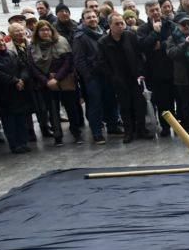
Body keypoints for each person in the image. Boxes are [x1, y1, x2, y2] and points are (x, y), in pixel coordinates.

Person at [99, 14, 153, 144]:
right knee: (125, 106)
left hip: (135, 77)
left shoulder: (130, 36)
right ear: (110, 26)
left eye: (121, 23)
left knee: (139, 104)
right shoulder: (103, 42)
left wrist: (140, 72)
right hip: (118, 79)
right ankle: (129, 131)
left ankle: (141, 129)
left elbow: (139, 55)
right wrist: (112, 77)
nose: (120, 26)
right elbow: (102, 62)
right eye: (117, 24)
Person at [28, 21, 83, 146]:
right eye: (42, 30)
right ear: (37, 33)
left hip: (64, 80)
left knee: (71, 108)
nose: (45, 32)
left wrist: (56, 78)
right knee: (53, 110)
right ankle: (58, 136)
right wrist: (46, 81)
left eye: (47, 29)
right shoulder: (32, 47)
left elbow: (68, 62)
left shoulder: (61, 41)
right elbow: (33, 67)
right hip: (46, 84)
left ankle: (76, 133)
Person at [73, 8, 120, 144]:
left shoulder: (103, 32)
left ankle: (113, 126)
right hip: (93, 77)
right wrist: (88, 76)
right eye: (88, 17)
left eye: (94, 17)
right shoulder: (80, 37)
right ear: (83, 20)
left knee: (111, 101)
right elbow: (79, 60)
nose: (92, 19)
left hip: (106, 74)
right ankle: (97, 132)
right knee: (95, 105)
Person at [137, 1, 176, 137]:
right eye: (152, 10)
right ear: (147, 12)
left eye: (157, 9)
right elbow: (142, 46)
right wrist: (155, 33)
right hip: (154, 71)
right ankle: (165, 127)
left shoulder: (170, 24)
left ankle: (177, 126)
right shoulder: (143, 29)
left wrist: (163, 45)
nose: (155, 12)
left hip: (172, 68)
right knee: (161, 101)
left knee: (175, 99)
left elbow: (175, 40)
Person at [0, 31, 31, 152]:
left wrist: (22, 79)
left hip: (18, 91)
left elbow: (23, 67)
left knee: (21, 118)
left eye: (2, 40)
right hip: (3, 93)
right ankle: (15, 145)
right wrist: (15, 81)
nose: (1, 43)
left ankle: (24, 142)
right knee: (9, 121)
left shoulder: (11, 53)